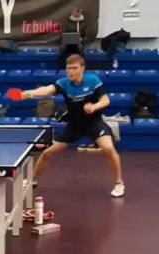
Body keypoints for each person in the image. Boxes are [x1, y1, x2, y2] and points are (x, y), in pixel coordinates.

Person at [17, 54, 125, 198]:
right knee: (48, 152)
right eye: (69, 69)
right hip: (74, 125)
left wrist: (94, 106)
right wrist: (29, 94)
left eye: (74, 68)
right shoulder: (64, 83)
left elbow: (105, 100)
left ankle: (119, 183)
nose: (71, 72)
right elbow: (48, 90)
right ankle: (31, 180)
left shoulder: (92, 80)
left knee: (108, 148)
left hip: (94, 123)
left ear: (82, 68)